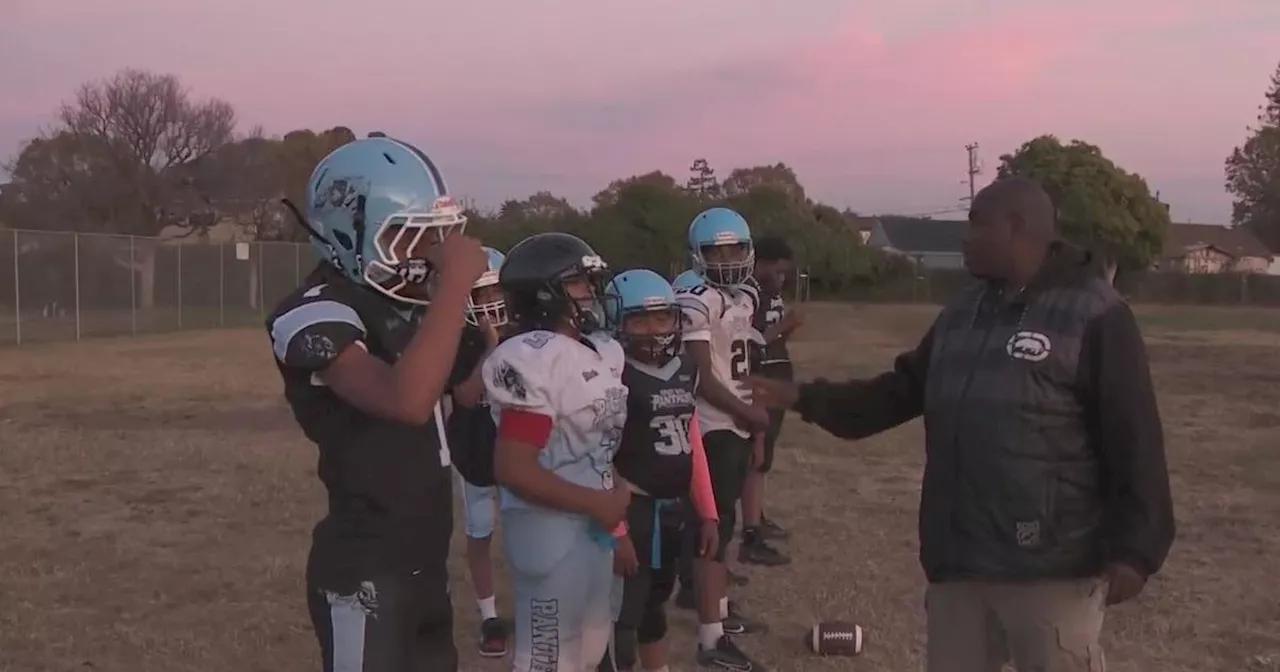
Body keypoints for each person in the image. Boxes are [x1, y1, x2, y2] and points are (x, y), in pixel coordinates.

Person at [748, 177, 1176, 672]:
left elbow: (1135, 438)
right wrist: (805, 397)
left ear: (1016, 228)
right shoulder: (963, 309)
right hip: (961, 562)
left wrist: (1137, 549)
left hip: (1052, 567)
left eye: (975, 224)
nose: (964, 238)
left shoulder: (1095, 314)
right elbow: (901, 392)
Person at [266, 135, 488, 672]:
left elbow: (466, 391)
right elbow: (407, 400)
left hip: (425, 562)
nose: (425, 258)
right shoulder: (312, 311)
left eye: (435, 240)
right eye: (412, 240)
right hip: (366, 565)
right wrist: (454, 288)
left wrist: (501, 334)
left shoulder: (408, 310)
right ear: (350, 233)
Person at [483, 232, 633, 672]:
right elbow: (513, 466)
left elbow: (597, 449)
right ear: (545, 292)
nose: (591, 293)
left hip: (591, 526)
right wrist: (600, 504)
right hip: (548, 528)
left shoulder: (592, 351)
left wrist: (613, 506)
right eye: (579, 283)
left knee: (588, 649)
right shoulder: (533, 357)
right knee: (547, 660)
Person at [595, 269, 721, 672]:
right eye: (640, 320)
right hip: (632, 508)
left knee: (654, 608)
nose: (653, 330)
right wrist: (616, 532)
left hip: (673, 506)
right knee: (621, 616)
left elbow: (693, 438)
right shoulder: (611, 374)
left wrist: (708, 511)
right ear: (617, 322)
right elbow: (599, 454)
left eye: (662, 318)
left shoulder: (686, 366)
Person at [675, 207, 769, 669]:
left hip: (731, 421)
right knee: (709, 526)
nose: (728, 258)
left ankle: (717, 608)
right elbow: (701, 376)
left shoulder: (745, 295)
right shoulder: (695, 297)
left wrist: (752, 416)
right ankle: (711, 633)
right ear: (698, 254)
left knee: (722, 522)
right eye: (717, 250)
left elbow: (742, 361)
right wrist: (745, 412)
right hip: (707, 423)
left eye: (735, 248)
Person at [446, 246, 512, 658]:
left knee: (527, 535)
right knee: (481, 533)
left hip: (519, 455)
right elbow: (468, 397)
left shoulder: (526, 331)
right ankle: (490, 615)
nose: (489, 304)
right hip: (474, 453)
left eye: (495, 293)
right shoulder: (460, 341)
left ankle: (532, 605)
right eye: (480, 296)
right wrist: (491, 348)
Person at [737, 236, 801, 566]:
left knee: (765, 455)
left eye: (785, 273)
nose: (781, 278)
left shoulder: (771, 293)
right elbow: (751, 340)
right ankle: (750, 530)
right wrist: (784, 325)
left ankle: (756, 515)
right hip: (760, 377)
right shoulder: (748, 294)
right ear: (759, 263)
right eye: (776, 271)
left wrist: (786, 330)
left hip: (777, 375)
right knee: (756, 455)